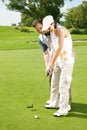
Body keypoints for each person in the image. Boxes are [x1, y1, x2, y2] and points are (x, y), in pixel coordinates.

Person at [42, 15, 75, 116]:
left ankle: (63, 109)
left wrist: (52, 62)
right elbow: (53, 48)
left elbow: (59, 48)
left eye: (49, 27)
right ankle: (53, 103)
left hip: (67, 62)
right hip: (58, 61)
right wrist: (51, 64)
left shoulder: (61, 30)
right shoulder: (51, 33)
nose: (47, 29)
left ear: (53, 23)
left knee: (63, 86)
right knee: (54, 83)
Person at [32, 19, 52, 104]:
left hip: (63, 56)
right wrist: (47, 66)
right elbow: (45, 53)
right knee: (52, 79)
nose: (40, 31)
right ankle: (54, 99)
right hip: (52, 57)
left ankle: (66, 102)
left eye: (41, 28)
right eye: (38, 30)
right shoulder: (41, 38)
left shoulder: (54, 30)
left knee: (63, 80)